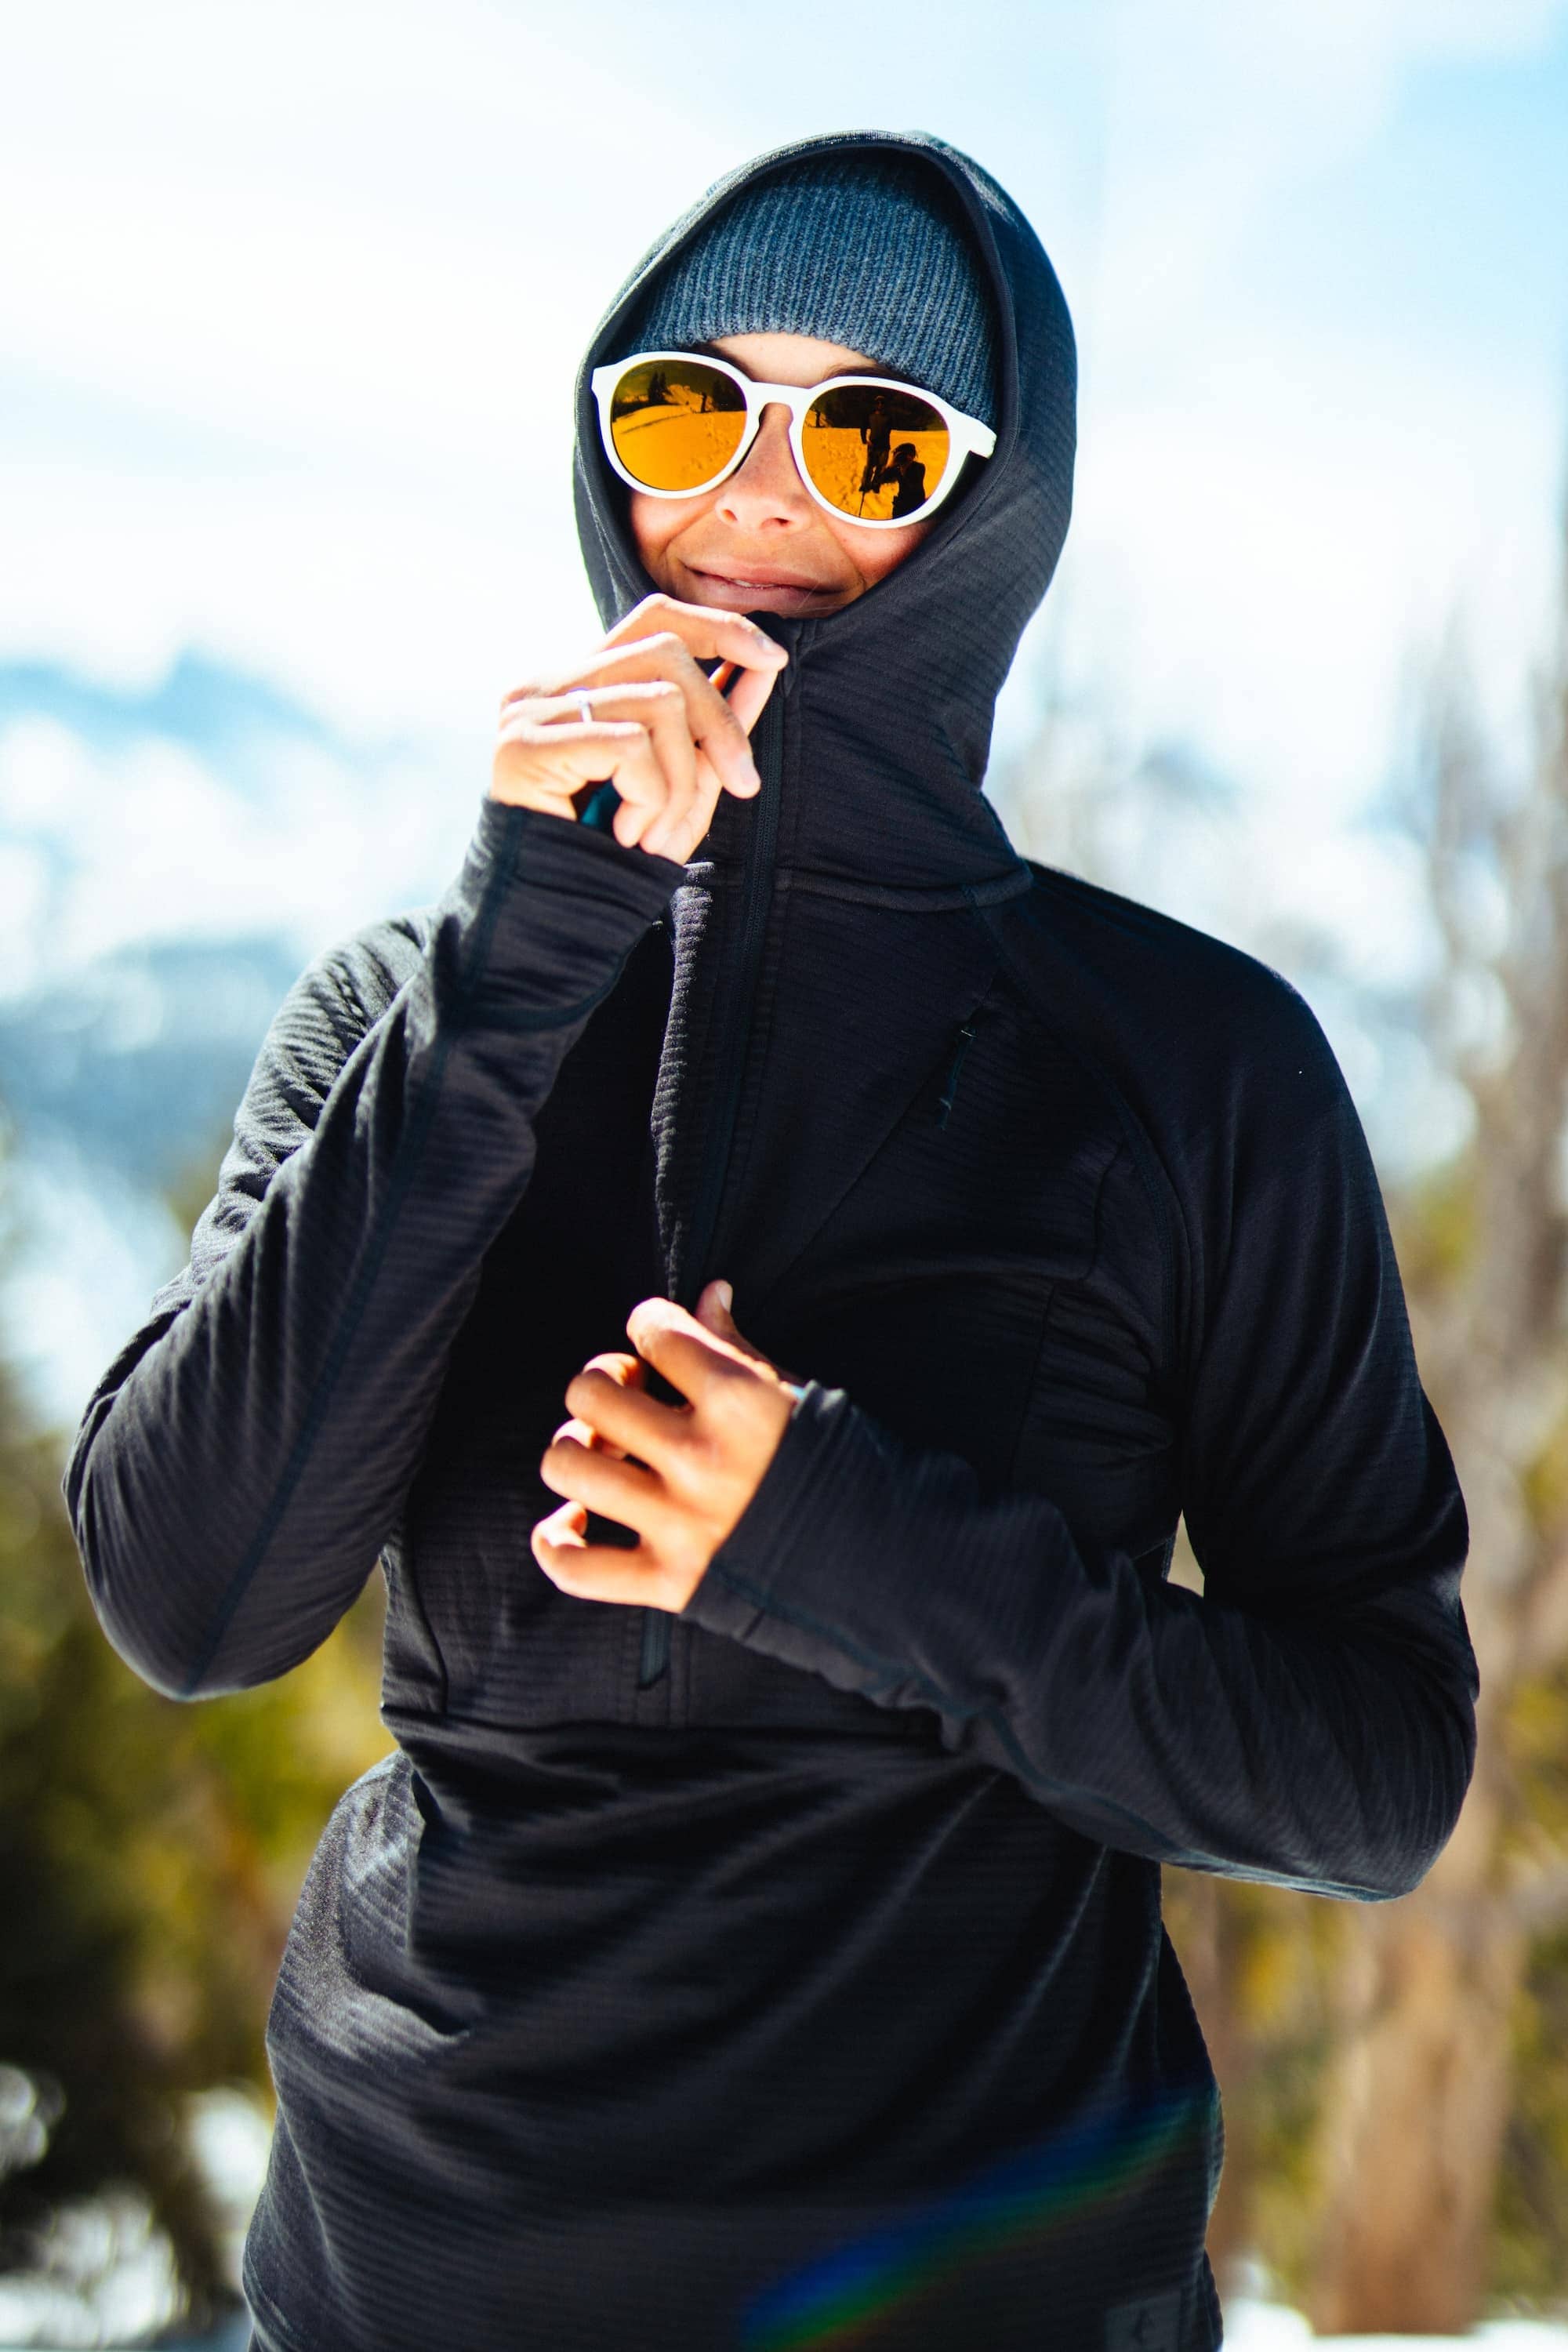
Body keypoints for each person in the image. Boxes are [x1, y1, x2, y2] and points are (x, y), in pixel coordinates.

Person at [63, 130, 1479, 2352]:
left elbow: (1374, 1774)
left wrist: (832, 1533)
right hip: (390, 2302)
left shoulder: (1191, 1070)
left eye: (875, 434)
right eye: (683, 408)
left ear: (991, 512)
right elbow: (194, 1596)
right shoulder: (405, 1003)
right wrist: (517, 961)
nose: (755, 499)